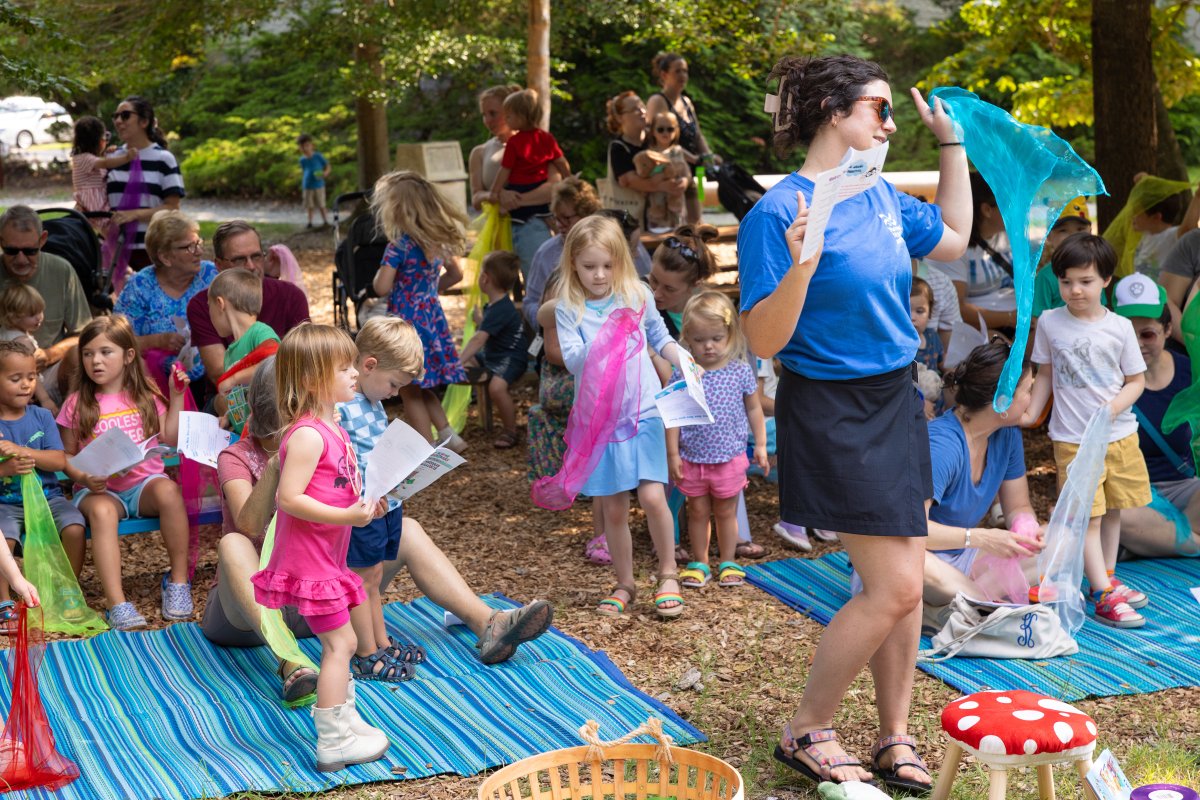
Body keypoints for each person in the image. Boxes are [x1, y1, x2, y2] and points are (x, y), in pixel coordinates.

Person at [738, 54, 969, 791]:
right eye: (879, 107)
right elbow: (764, 342)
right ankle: (807, 727)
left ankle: (893, 736)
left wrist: (950, 145)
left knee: (895, 582)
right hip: (832, 408)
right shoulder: (776, 214)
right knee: (898, 587)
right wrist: (802, 263)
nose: (891, 122)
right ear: (835, 112)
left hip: (897, 399)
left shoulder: (876, 193)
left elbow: (956, 241)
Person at [210, 356, 556, 703]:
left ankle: (489, 623)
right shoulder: (238, 456)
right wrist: (278, 466)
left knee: (407, 529)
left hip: (319, 596)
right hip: (255, 607)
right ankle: (291, 663)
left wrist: (373, 499)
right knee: (234, 543)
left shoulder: (328, 442)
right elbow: (250, 523)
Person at [249, 324, 390, 771]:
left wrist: (366, 502)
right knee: (340, 646)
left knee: (343, 642)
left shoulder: (333, 426)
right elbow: (288, 499)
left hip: (326, 558)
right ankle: (332, 741)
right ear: (312, 380)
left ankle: (344, 719)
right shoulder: (308, 435)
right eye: (344, 367)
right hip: (310, 563)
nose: (354, 373)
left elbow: (334, 487)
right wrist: (350, 516)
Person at [555, 216, 689, 619]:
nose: (599, 275)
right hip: (601, 422)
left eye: (607, 265)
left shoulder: (637, 294)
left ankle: (668, 573)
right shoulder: (569, 307)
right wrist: (605, 337)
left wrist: (681, 358)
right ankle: (625, 582)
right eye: (588, 266)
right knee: (613, 509)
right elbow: (574, 360)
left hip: (644, 411)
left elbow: (659, 337)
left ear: (621, 262)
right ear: (573, 265)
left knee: (651, 496)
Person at [1020, 234, 1152, 627]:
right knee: (1088, 518)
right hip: (1073, 439)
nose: (1074, 290)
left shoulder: (1121, 327)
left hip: (1119, 435)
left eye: (1085, 281)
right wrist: (1030, 414)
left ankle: (1106, 578)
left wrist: (1111, 409)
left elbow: (1136, 381)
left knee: (1113, 511)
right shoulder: (1050, 322)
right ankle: (1102, 594)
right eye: (1066, 282)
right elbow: (1045, 373)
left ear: (1106, 280)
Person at [57, 315, 192, 630]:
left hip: (143, 485)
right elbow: (67, 457)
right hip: (98, 490)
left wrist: (175, 396)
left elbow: (169, 439)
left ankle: (178, 582)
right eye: (88, 353)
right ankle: (116, 603)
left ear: (128, 356)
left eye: (106, 352)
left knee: (169, 492)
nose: (96, 361)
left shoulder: (144, 396)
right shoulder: (78, 402)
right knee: (103, 512)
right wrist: (85, 477)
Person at [920, 342, 1044, 605]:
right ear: (1003, 401)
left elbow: (1018, 505)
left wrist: (1027, 530)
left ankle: (965, 606)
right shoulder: (942, 446)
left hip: (962, 558)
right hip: (917, 558)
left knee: (1061, 542)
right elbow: (911, 531)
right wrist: (980, 538)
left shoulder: (1007, 432)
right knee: (924, 569)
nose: (1031, 399)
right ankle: (983, 606)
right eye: (1028, 390)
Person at [338, 318, 426, 682]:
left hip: (380, 503)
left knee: (373, 575)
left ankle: (381, 642)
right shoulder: (343, 403)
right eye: (394, 383)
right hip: (360, 508)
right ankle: (366, 653)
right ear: (369, 365)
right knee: (361, 579)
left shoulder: (371, 400)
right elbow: (337, 462)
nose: (394, 393)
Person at [670, 292, 768, 590]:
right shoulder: (683, 374)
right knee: (697, 511)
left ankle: (728, 560)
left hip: (729, 457)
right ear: (687, 337)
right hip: (693, 457)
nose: (708, 346)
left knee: (726, 512)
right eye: (700, 340)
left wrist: (761, 444)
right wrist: (673, 453)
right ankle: (700, 561)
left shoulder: (739, 370)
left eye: (716, 338)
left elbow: (754, 407)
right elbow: (673, 416)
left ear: (729, 335)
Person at [370, 171, 469, 452]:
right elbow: (456, 275)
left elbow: (381, 287)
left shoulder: (398, 245)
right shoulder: (435, 242)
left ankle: (425, 448)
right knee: (424, 384)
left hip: (406, 323)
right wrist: (429, 291)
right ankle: (450, 436)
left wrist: (381, 278)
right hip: (431, 316)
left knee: (408, 387)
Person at [1110, 274, 1200, 557]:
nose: (1136, 344)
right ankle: (1188, 543)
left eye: (1147, 333)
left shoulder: (1190, 373)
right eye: (1126, 333)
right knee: (1110, 514)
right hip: (1131, 496)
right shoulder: (1104, 381)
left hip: (1187, 490)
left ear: (1168, 329)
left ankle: (1144, 543)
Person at [186, 220, 311, 389]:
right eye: (239, 259)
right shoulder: (204, 304)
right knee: (222, 403)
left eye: (257, 256)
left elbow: (305, 359)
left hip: (282, 391)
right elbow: (219, 374)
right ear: (219, 264)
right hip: (229, 396)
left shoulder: (291, 295)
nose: (251, 266)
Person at [0, 339, 64, 621]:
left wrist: (25, 454)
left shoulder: (40, 416)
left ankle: (62, 591)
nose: (26, 385)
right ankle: (4, 601)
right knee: (7, 533)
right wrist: (6, 470)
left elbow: (59, 460)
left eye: (31, 377)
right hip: (8, 503)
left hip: (46, 497)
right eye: (16, 378)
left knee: (72, 525)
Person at [114, 210, 215, 387]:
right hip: (155, 383)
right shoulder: (140, 286)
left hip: (211, 377)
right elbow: (115, 340)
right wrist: (157, 341)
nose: (199, 251)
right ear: (165, 257)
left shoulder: (211, 275)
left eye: (198, 243)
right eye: (189, 247)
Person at [467, 84, 561, 275]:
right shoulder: (479, 152)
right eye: (484, 115)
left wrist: (513, 201)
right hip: (496, 231)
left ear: (512, 110)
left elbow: (554, 188)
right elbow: (476, 199)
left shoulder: (538, 144)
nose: (487, 120)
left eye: (493, 113)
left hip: (531, 224)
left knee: (539, 282)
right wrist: (497, 195)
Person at [487, 88, 571, 282]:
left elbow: (505, 170)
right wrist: (569, 178)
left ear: (522, 116)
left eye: (509, 115)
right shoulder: (546, 138)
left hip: (520, 191)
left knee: (522, 229)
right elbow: (560, 161)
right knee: (547, 219)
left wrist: (495, 191)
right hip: (540, 190)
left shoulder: (515, 142)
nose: (506, 119)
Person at [0, 206, 92, 377]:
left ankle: (70, 404)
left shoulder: (61, 270)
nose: (21, 259)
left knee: (78, 357)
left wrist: (49, 355)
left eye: (30, 251)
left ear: (42, 240)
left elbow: (84, 334)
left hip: (48, 371)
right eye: (11, 251)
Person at [927, 171, 1017, 332]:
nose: (1017, 210)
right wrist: (1012, 319)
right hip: (986, 330)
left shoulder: (1008, 236)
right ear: (987, 210)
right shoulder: (952, 249)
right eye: (1010, 204)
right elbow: (957, 308)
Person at [457, 251, 528, 448]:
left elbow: (480, 338)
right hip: (494, 355)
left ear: (485, 279)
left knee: (496, 388)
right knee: (472, 362)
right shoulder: (494, 305)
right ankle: (476, 400)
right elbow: (491, 328)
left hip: (511, 357)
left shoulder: (501, 308)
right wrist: (481, 321)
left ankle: (511, 431)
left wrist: (457, 362)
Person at [106, 96, 185, 271]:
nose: (118, 121)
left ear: (144, 121)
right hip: (114, 251)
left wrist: (134, 214)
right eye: (116, 116)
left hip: (152, 251)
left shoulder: (164, 159)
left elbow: (172, 208)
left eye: (125, 115)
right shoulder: (110, 159)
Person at [646, 52, 720, 224]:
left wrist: (708, 158)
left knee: (698, 215)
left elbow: (698, 135)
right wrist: (693, 159)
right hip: (673, 171)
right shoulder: (658, 101)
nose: (683, 76)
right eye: (678, 71)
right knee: (680, 219)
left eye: (685, 71)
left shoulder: (686, 101)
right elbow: (658, 140)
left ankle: (698, 248)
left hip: (697, 169)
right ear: (664, 75)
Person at [522, 177, 603, 331]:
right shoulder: (546, 253)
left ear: (587, 214)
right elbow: (530, 303)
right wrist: (547, 320)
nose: (559, 225)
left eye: (566, 218)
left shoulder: (609, 245)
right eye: (556, 218)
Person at [606, 92, 687, 230]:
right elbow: (630, 181)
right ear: (620, 118)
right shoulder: (618, 147)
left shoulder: (655, 138)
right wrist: (665, 186)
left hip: (665, 218)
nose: (642, 111)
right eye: (635, 109)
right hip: (632, 222)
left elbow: (677, 160)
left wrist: (685, 180)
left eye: (642, 106)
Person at [208, 268, 280, 419]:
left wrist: (234, 379)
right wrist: (229, 417)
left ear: (220, 303)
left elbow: (275, 365)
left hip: (268, 430)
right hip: (246, 433)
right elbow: (238, 398)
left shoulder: (259, 332)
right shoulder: (230, 353)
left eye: (209, 307)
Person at [1032, 198, 1094, 319]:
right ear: (1049, 236)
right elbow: (1038, 320)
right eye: (1063, 230)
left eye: (1080, 229)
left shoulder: (1095, 271)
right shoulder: (1045, 277)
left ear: (1090, 232)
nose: (1073, 236)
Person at [70, 115, 136, 226]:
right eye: (105, 137)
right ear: (98, 141)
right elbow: (105, 163)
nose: (106, 141)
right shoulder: (83, 158)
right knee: (104, 224)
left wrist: (109, 152)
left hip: (97, 198)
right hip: (93, 200)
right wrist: (127, 158)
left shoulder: (87, 157)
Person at [635, 111, 694, 232]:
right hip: (657, 208)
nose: (665, 133)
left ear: (676, 131)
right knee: (657, 239)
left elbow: (687, 173)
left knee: (678, 237)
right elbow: (643, 176)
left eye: (670, 129)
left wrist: (685, 181)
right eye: (661, 129)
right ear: (653, 131)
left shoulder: (678, 151)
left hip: (676, 206)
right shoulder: (649, 154)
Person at [0, 284, 55, 410]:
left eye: (40, 311)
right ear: (13, 317)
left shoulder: (5, 332)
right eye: (32, 314)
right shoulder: (22, 342)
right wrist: (45, 399)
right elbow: (32, 374)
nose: (39, 317)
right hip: (32, 390)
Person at [297, 134, 331, 228]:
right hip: (307, 185)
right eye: (302, 146)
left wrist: (325, 173)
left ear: (311, 145)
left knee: (321, 204)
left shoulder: (318, 156)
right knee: (309, 205)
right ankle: (310, 222)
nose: (305, 148)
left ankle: (325, 221)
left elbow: (327, 166)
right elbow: (304, 170)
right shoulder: (302, 160)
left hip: (319, 184)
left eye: (307, 145)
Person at [911, 277, 943, 371]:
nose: (912, 317)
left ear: (930, 313)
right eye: (905, 311)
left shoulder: (932, 337)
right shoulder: (897, 345)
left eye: (919, 311)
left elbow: (941, 364)